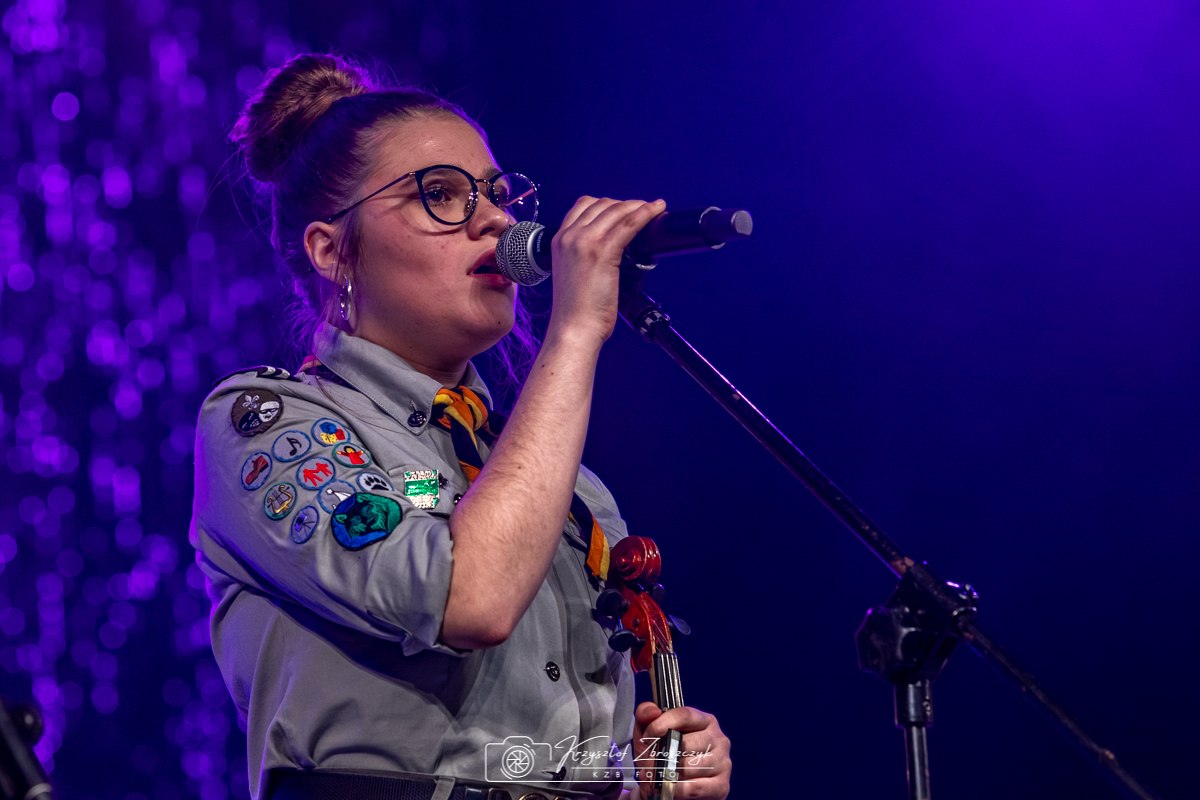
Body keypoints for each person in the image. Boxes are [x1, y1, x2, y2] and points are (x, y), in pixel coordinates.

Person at [190, 52, 732, 800]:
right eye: (440, 194)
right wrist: (575, 332)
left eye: (498, 195)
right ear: (330, 251)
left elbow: (543, 759)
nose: (497, 220)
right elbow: (469, 598)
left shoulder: (571, 492)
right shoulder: (261, 422)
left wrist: (645, 776)